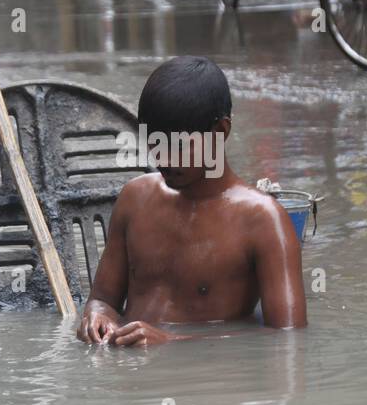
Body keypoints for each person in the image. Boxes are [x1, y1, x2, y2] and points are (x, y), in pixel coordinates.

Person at [76, 56, 307, 346]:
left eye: (179, 146)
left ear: (220, 131)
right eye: (155, 143)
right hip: (131, 382)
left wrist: (172, 341)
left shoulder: (264, 220)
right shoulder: (134, 199)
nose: (164, 159)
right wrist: (98, 317)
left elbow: (289, 340)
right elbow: (102, 298)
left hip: (207, 384)